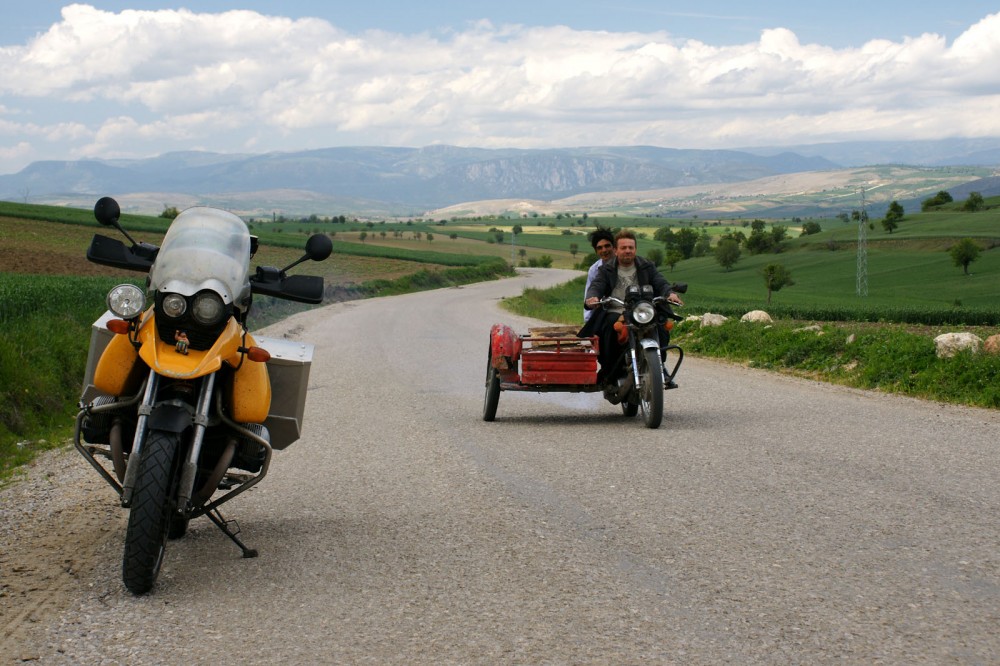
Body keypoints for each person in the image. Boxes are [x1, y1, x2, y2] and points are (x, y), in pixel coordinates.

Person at [579, 230, 683, 383]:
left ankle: (659, 365)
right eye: (623, 248)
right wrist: (592, 297)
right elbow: (597, 285)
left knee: (661, 324)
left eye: (630, 247)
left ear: (635, 249)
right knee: (608, 328)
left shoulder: (646, 266)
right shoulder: (605, 269)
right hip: (616, 309)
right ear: (616, 250)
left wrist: (669, 293)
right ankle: (610, 370)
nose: (627, 250)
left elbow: (660, 282)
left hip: (642, 309)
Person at [583, 228, 615, 322]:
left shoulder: (623, 263)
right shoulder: (594, 270)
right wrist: (588, 321)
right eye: (599, 248)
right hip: (605, 310)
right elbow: (590, 291)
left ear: (614, 247)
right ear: (596, 251)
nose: (604, 250)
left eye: (607, 246)